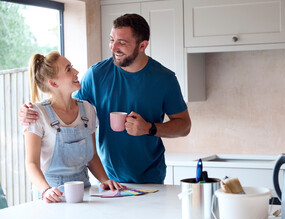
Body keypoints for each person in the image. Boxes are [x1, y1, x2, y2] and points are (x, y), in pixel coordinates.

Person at [19, 14, 191, 184]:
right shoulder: (96, 75)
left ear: (142, 45)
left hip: (151, 178)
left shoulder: (164, 79)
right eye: (112, 40)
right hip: (107, 180)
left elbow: (184, 126)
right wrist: (28, 113)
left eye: (122, 43)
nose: (113, 47)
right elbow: (68, 108)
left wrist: (149, 128)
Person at [24, 51, 124, 203]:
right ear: (53, 83)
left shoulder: (87, 109)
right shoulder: (37, 114)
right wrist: (46, 190)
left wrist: (105, 179)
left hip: (84, 192)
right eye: (69, 69)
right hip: (52, 197)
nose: (77, 72)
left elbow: (91, 157)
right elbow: (31, 163)